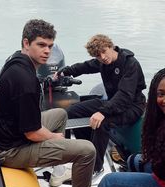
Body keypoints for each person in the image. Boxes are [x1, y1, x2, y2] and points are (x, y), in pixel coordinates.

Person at [0, 19, 96, 187]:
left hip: (5, 134)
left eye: (50, 46)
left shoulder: (15, 61)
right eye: (41, 45)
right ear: (26, 43)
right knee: (87, 150)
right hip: (10, 151)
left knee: (60, 114)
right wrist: (55, 137)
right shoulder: (25, 81)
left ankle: (59, 171)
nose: (47, 51)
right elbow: (33, 133)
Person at [57, 34, 146, 175]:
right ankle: (86, 150)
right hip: (112, 103)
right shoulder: (103, 62)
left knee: (103, 122)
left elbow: (124, 95)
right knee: (73, 111)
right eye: (98, 56)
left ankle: (95, 167)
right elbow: (85, 67)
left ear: (111, 46)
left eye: (104, 51)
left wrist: (103, 112)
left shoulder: (130, 64)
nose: (103, 57)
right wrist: (65, 71)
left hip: (132, 106)